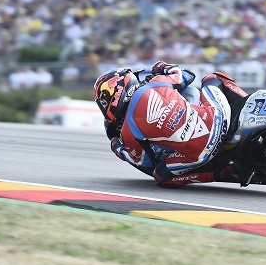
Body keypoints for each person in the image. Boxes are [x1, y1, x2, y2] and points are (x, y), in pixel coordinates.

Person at [94, 61, 249, 187]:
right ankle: (247, 103)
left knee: (160, 175)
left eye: (105, 100)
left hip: (201, 154)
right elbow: (188, 76)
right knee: (213, 78)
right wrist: (166, 67)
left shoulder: (128, 130)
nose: (105, 105)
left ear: (117, 90)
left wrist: (119, 148)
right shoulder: (157, 82)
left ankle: (221, 172)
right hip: (217, 120)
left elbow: (145, 163)